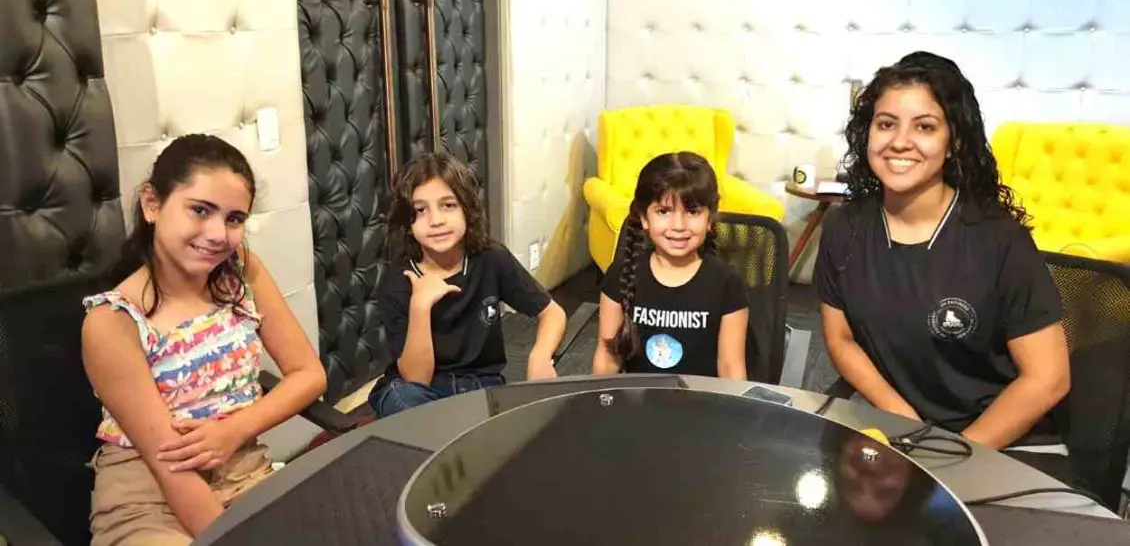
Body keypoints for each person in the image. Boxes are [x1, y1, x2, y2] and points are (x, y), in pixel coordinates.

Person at [815, 51, 1070, 452]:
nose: (900, 142)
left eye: (925, 126)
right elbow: (841, 340)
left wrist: (957, 454)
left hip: (1000, 440)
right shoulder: (842, 228)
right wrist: (904, 422)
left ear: (954, 142)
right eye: (886, 124)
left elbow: (1048, 378)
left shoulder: (1000, 241)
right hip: (897, 427)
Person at [81, 134, 327, 545]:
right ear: (152, 204)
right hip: (151, 497)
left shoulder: (241, 271)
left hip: (245, 473)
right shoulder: (113, 320)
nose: (217, 234)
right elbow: (169, 465)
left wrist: (233, 431)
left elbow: (309, 374)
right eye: (200, 210)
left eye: (234, 219)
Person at [368, 152, 567, 418]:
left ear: (467, 209)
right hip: (418, 389)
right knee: (403, 400)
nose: (436, 220)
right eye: (420, 210)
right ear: (408, 223)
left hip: (479, 385)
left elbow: (552, 313)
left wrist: (540, 357)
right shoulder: (398, 279)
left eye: (448, 205)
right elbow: (416, 378)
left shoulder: (491, 258)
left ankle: (456, 434)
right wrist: (420, 306)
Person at [592, 152, 748, 379]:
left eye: (692, 212)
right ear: (644, 218)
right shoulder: (621, 274)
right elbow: (607, 360)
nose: (678, 226)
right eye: (663, 212)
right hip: (637, 399)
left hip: (702, 399)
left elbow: (730, 368)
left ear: (709, 218)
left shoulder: (726, 283)